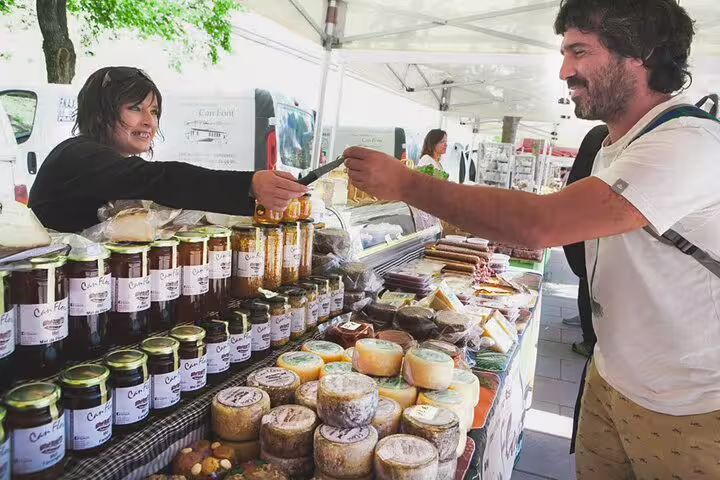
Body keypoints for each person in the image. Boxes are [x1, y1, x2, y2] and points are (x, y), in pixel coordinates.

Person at [343, 1, 720, 478]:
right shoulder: (615, 145)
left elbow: (541, 224)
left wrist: (407, 183)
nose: (565, 70)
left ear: (641, 53)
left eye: (580, 51)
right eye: (564, 53)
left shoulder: (687, 142)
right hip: (612, 378)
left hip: (692, 406)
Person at [29, 66, 307, 233]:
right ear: (99, 113)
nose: (149, 121)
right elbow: (160, 178)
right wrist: (249, 183)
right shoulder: (79, 155)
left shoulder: (103, 159)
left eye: (154, 111)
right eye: (135, 108)